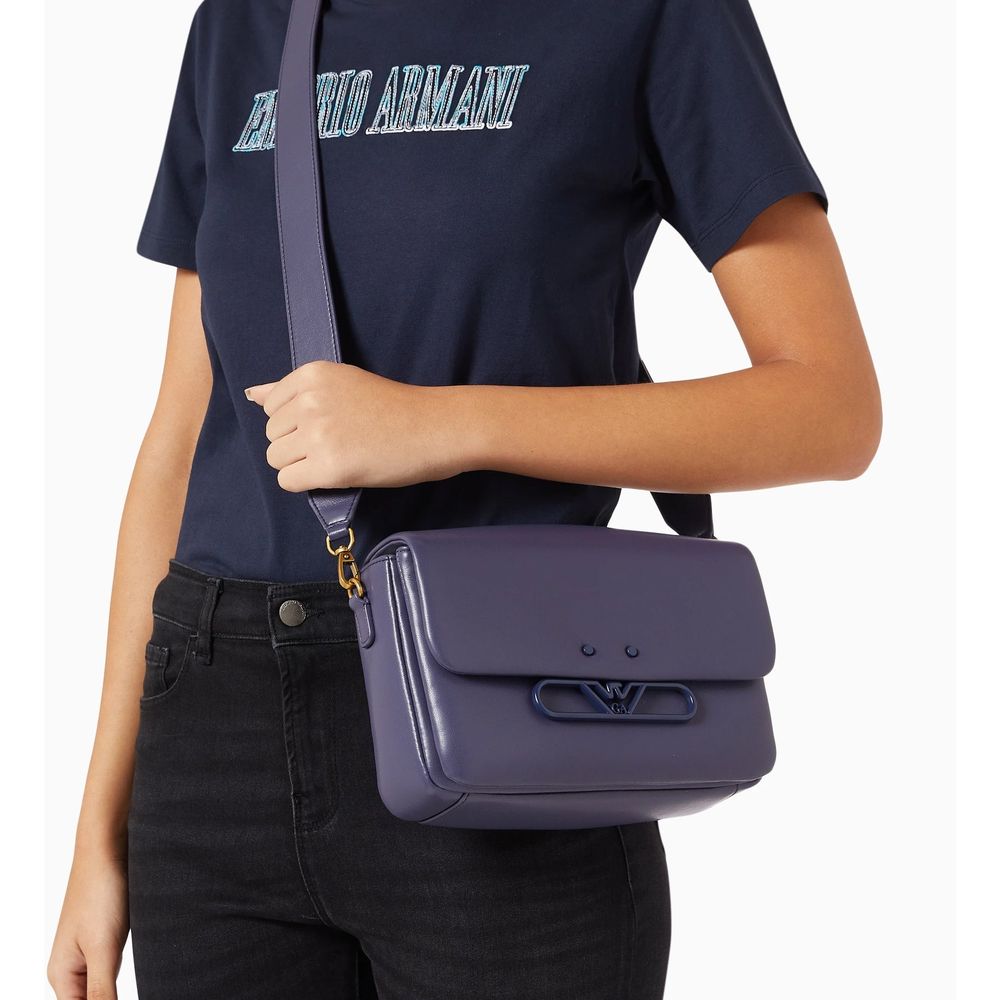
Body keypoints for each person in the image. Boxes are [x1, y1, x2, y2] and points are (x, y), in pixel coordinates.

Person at [48, 1, 881, 997]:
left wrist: (446, 424)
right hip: (214, 739)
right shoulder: (242, 22)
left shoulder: (650, 14)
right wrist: (99, 833)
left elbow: (831, 407)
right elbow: (180, 441)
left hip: (503, 716)